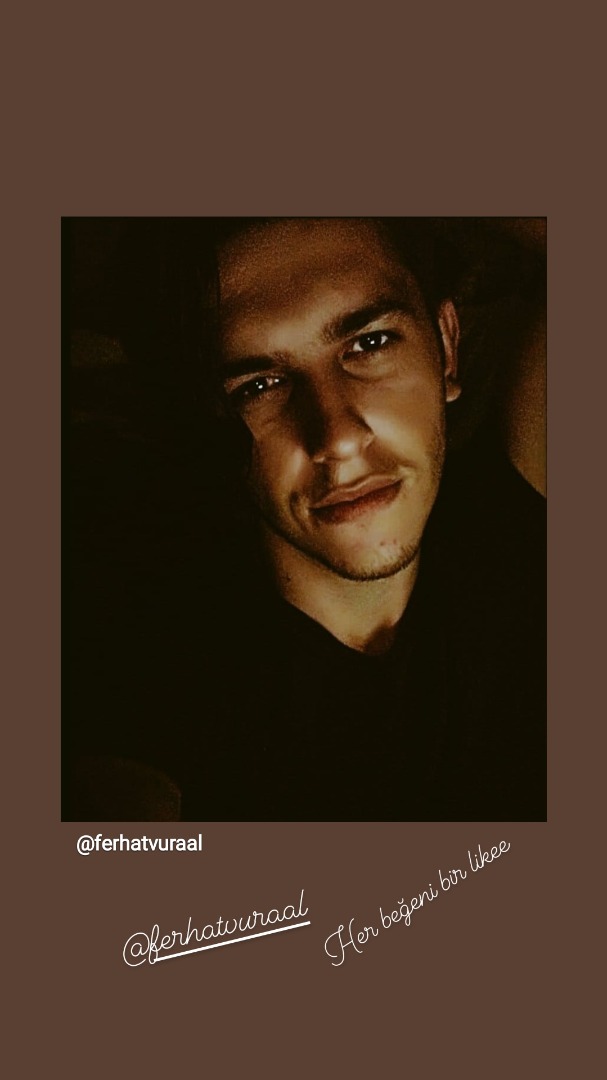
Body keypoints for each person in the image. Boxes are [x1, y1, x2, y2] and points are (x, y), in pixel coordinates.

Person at [66, 217, 546, 822]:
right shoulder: (155, 689)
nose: (337, 439)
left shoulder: (516, 516)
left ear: (447, 348)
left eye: (370, 344)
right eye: (260, 385)